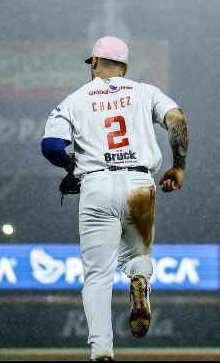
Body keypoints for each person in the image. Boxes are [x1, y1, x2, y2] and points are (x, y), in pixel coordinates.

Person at [41, 36, 189, 361]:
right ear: (125, 67)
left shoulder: (76, 99)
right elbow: (177, 120)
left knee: (98, 276)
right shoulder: (145, 92)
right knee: (137, 255)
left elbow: (51, 146)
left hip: (97, 183)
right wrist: (178, 166)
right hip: (139, 182)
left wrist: (70, 164)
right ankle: (139, 278)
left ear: (94, 62)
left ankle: (102, 352)